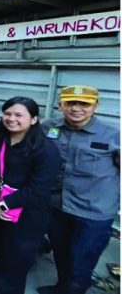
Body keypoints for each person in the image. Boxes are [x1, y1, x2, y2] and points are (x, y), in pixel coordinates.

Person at [38, 86, 120, 294]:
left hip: (93, 212)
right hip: (57, 206)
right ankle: (62, 287)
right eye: (70, 103)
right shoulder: (47, 127)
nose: (76, 108)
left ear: (95, 106)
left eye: (84, 104)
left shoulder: (113, 135)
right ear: (60, 105)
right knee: (61, 254)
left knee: (80, 262)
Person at [0, 97, 60, 294]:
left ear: (33, 119)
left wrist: (2, 205)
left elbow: (38, 189)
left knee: (15, 261)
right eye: (7, 113)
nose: (11, 118)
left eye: (18, 115)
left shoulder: (46, 150)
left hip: (27, 216)